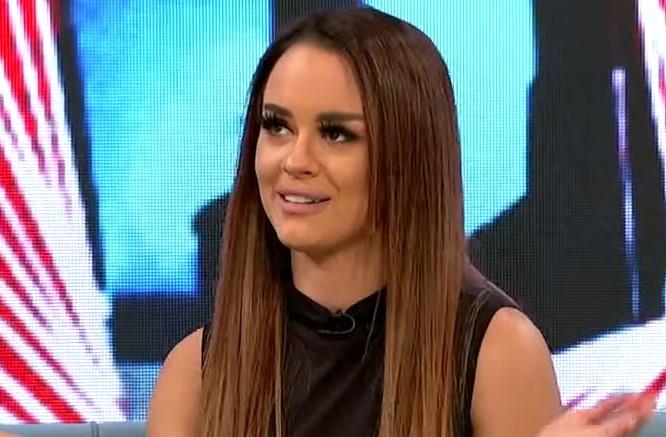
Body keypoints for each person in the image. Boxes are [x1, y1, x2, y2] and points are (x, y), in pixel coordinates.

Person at [147, 6, 656, 437]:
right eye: (276, 126)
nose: (294, 160)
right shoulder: (195, 374)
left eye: (336, 134)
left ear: (408, 156)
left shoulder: (496, 353)